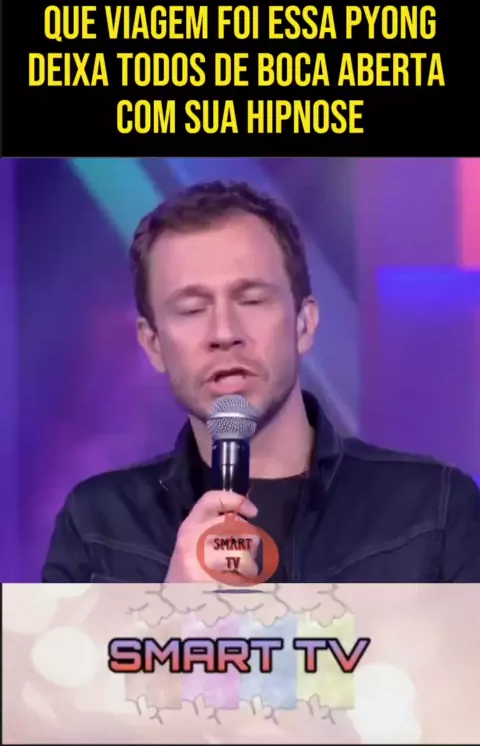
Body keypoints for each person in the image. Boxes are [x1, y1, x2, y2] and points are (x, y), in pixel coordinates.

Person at [42, 180, 480, 583]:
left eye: (251, 300)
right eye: (192, 309)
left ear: (304, 324)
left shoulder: (434, 512)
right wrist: (173, 618)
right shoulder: (97, 526)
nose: (223, 332)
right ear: (153, 343)